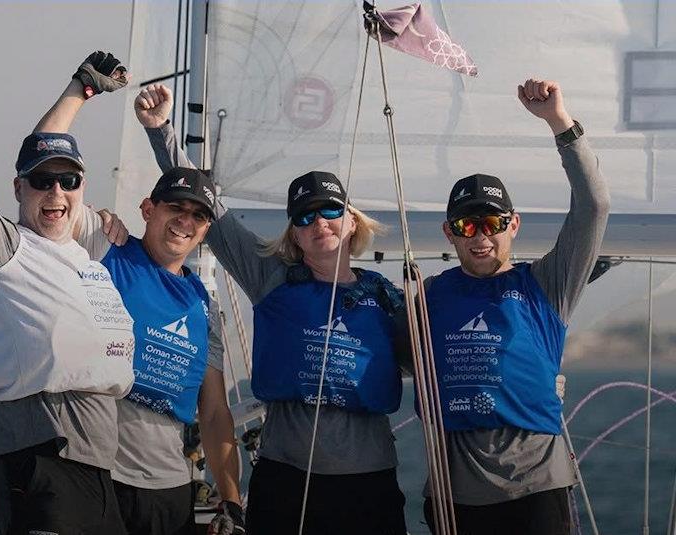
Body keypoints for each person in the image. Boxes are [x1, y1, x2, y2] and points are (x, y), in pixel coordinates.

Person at [142, 86, 408, 535]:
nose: (318, 222)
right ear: (294, 236)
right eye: (304, 217)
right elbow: (211, 211)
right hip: (287, 478)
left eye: (330, 211)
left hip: (369, 483)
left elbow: (430, 362)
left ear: (351, 220)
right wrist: (160, 130)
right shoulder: (272, 279)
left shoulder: (387, 298)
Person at [0, 22, 139, 535]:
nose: (56, 192)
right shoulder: (4, 251)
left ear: (82, 187)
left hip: (101, 470)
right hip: (42, 461)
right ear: (19, 189)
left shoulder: (88, 252)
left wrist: (82, 88)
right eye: (42, 181)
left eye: (68, 180)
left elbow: (45, 146)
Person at [35, 78, 244, 535]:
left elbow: (213, 412)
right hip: (94, 477)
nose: (185, 221)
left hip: (168, 491)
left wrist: (231, 500)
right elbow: (43, 164)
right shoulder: (104, 245)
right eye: (175, 208)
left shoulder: (204, 306)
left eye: (198, 215)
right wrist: (79, 90)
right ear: (148, 209)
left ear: (206, 230)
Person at [422, 78, 610, 534]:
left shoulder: (547, 283)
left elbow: (593, 207)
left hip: (537, 491)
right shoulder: (427, 295)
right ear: (450, 233)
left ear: (514, 225)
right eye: (466, 226)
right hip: (454, 493)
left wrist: (559, 123)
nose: (481, 237)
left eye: (492, 223)